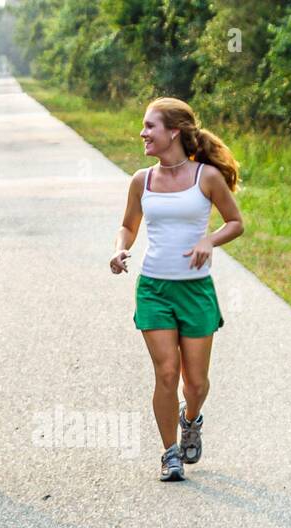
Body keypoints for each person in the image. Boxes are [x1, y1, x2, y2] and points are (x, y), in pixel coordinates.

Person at [110, 98, 244, 482]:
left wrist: (209, 241)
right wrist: (120, 248)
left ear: (174, 132)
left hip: (196, 290)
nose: (142, 133)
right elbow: (129, 225)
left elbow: (235, 222)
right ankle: (169, 453)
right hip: (154, 288)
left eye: (150, 126)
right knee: (167, 373)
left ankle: (191, 419)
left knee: (196, 383)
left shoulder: (207, 177)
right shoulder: (142, 180)